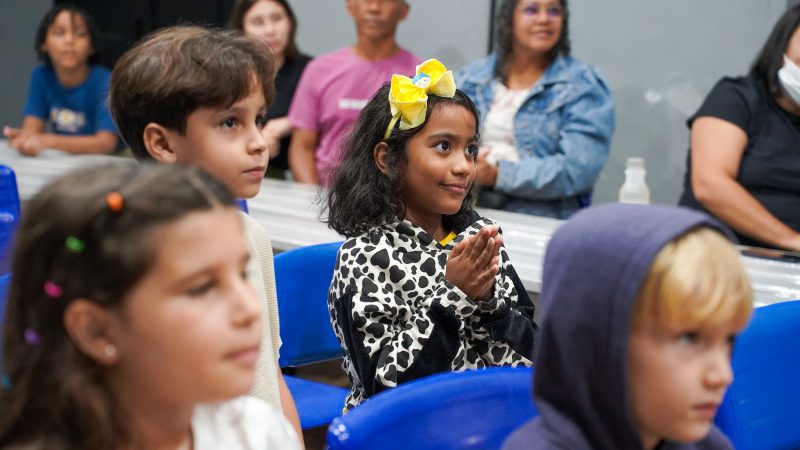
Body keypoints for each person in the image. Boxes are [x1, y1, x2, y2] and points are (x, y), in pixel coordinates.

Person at [0, 162, 301, 449]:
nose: (249, 309)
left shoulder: (256, 431)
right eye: (202, 287)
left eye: (242, 274)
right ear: (96, 331)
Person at [108, 26, 303, 442]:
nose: (257, 143)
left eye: (259, 120)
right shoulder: (134, 257)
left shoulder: (251, 234)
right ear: (162, 143)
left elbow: (272, 372)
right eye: (230, 122)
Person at [326, 59, 538, 410]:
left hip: (483, 422)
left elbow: (532, 359)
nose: (463, 166)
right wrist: (454, 296)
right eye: (444, 147)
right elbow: (385, 390)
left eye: (470, 149)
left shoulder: (479, 238)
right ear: (388, 159)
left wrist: (489, 304)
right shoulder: (365, 257)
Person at [503, 204, 753, 450]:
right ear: (598, 342)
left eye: (728, 340)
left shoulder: (707, 444)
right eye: (689, 339)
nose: (723, 375)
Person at [456, 0, 614, 219]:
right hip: (464, 212)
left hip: (543, 220)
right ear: (509, 19)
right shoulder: (471, 77)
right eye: (531, 10)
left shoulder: (584, 84)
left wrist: (498, 175)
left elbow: (577, 169)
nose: (544, 19)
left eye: (554, 11)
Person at [678, 6, 800, 251]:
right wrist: (792, 241)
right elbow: (710, 185)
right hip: (720, 256)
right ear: (782, 45)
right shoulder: (737, 98)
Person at [288, 0, 419, 186]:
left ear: (403, 11)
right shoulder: (319, 70)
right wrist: (314, 204)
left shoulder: (418, 77)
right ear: (350, 6)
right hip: (326, 199)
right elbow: (302, 147)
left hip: (393, 202)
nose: (374, 8)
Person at [3, 3, 118, 156]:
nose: (69, 40)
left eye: (80, 34)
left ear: (92, 46)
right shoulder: (41, 76)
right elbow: (32, 127)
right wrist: (25, 139)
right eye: (59, 33)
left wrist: (46, 141)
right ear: (43, 43)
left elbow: (106, 143)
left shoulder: (104, 80)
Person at [228, 0, 312, 179]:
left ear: (290, 22)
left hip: (297, 177)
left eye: (277, 19)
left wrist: (290, 122)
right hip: (236, 170)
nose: (270, 30)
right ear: (241, 29)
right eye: (258, 22)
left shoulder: (311, 69)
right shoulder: (229, 74)